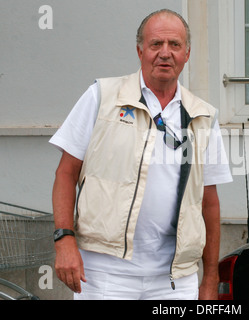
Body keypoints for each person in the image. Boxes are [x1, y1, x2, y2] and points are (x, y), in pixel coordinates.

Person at [49, 9, 232, 300]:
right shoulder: (102, 96)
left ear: (187, 54)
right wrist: (64, 238)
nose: (165, 53)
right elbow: (66, 172)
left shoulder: (202, 116)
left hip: (175, 278)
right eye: (156, 44)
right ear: (140, 50)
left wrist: (210, 278)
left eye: (174, 45)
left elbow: (209, 203)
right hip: (105, 272)